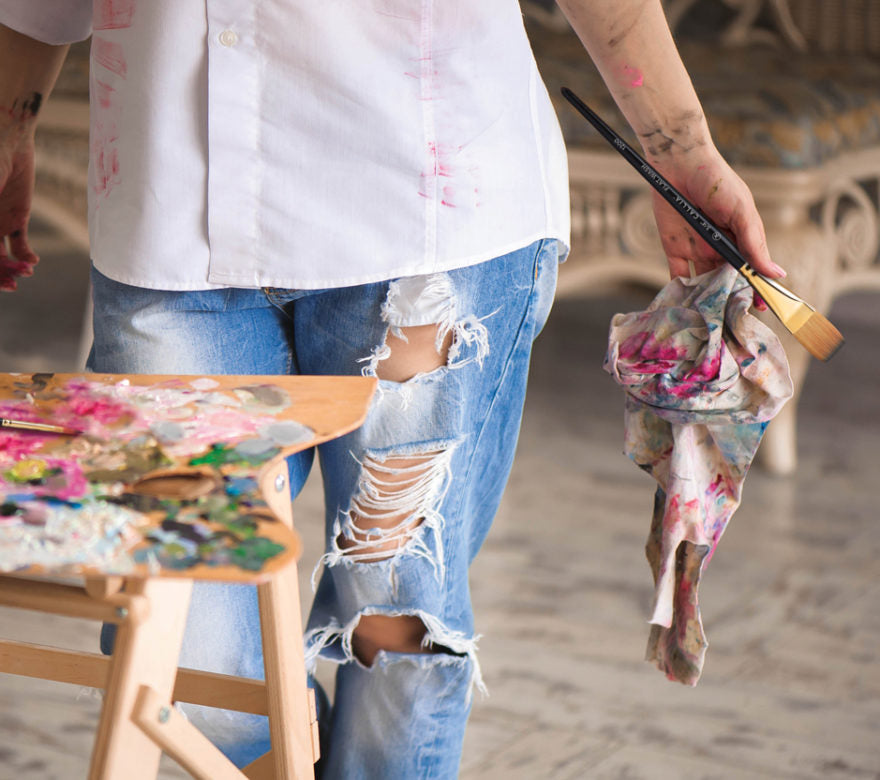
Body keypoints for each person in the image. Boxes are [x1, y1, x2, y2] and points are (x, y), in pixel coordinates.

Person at [0, 2, 785, 777]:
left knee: (394, 616)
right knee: (179, 643)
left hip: (425, 213)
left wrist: (682, 150)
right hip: (172, 208)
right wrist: (11, 118)